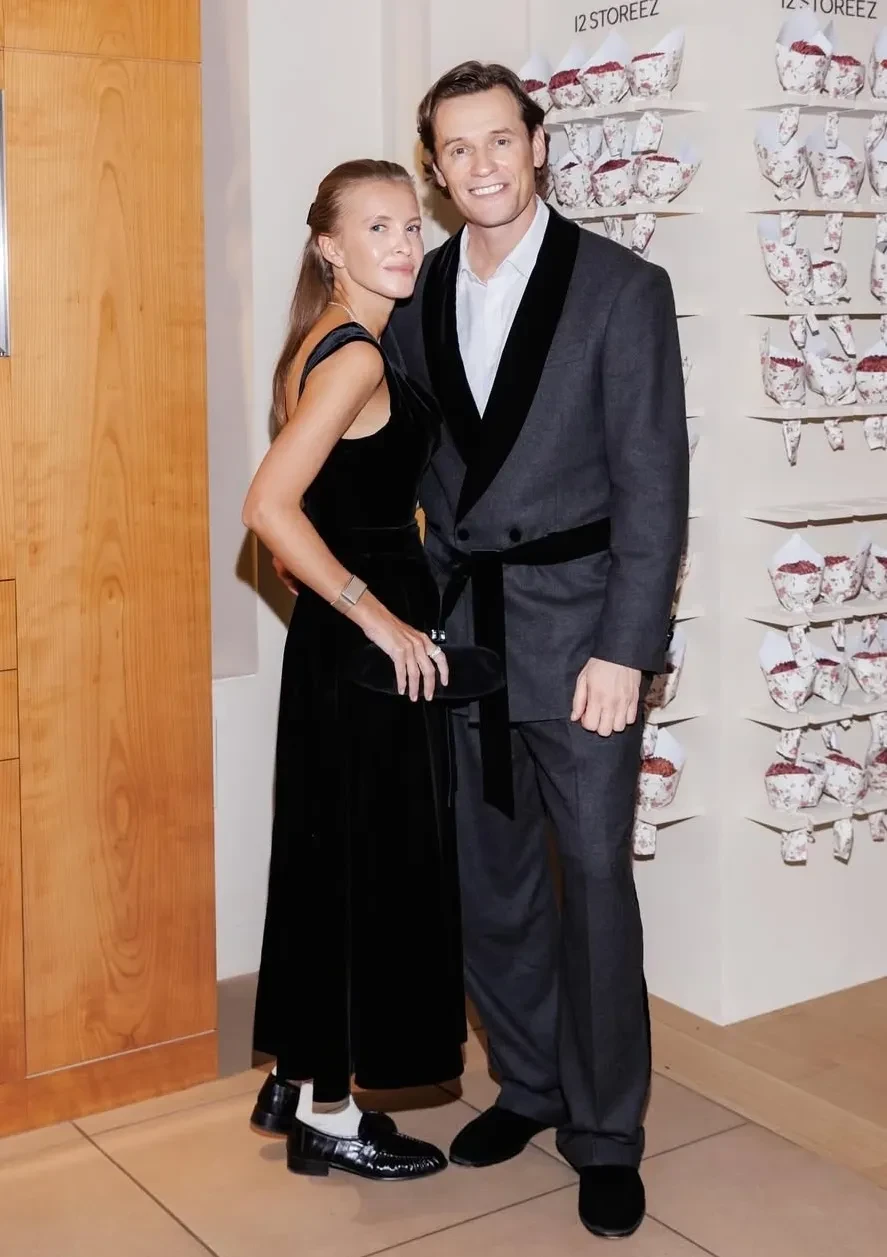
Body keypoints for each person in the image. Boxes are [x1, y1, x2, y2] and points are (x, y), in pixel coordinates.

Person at [384, 63, 689, 1238]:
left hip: (581, 640)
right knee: (491, 879)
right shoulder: (418, 294)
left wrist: (627, 648)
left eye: (498, 140)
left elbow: (652, 484)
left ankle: (605, 1132)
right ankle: (527, 1083)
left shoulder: (620, 287)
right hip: (466, 635)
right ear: (435, 167)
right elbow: (406, 462)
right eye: (455, 149)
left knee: (595, 881)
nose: (480, 166)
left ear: (539, 143)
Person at [242, 159, 467, 1182]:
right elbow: (268, 508)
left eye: (410, 226)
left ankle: (303, 1078)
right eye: (376, 228)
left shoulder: (318, 340)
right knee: (371, 871)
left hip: (334, 650)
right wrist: (378, 617)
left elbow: (307, 520)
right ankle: (332, 1114)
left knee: (330, 863)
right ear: (328, 245)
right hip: (370, 651)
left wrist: (329, 598)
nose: (402, 244)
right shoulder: (356, 358)